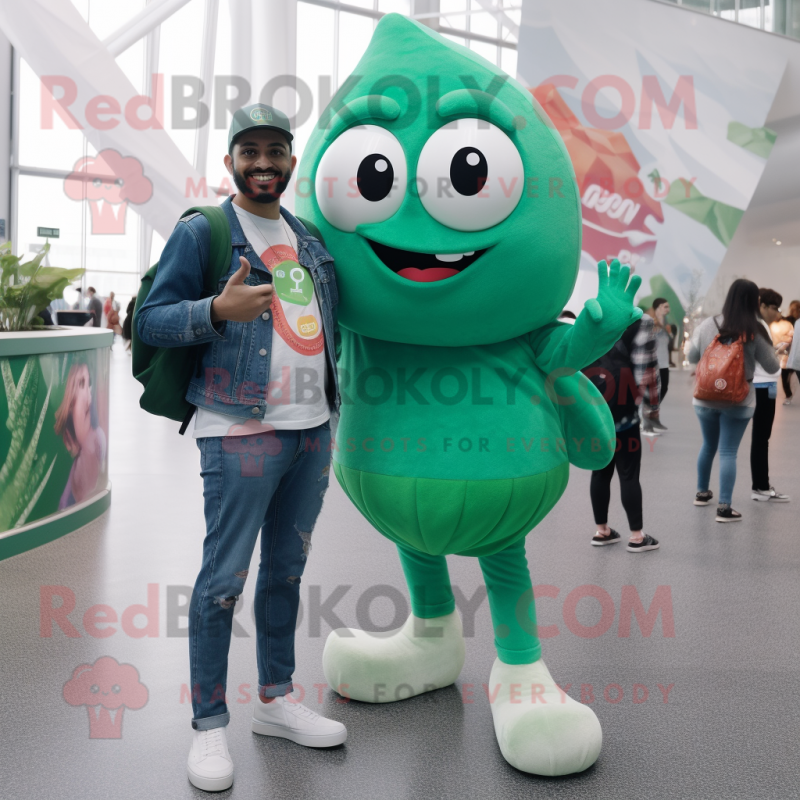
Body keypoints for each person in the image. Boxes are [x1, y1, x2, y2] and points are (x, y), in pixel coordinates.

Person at [136, 103, 345, 793]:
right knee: (223, 581)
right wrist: (215, 312)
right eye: (249, 151)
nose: (263, 163)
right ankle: (208, 727)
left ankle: (278, 701)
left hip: (311, 429)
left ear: (291, 161)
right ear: (230, 161)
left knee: (285, 572)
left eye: (275, 151)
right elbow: (152, 321)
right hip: (239, 429)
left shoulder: (308, 237)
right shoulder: (206, 231)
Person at [687, 279, 780, 522]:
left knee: (708, 445)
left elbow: (691, 355)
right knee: (728, 451)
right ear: (755, 302)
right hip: (739, 400)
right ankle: (724, 508)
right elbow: (772, 367)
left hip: (705, 397)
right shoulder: (755, 329)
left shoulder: (709, 323)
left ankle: (701, 493)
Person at [585, 313, 661, 552]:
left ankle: (602, 531)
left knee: (599, 472)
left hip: (596, 412)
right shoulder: (639, 321)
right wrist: (652, 406)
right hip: (624, 415)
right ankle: (637, 536)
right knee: (628, 474)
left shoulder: (592, 316)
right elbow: (645, 369)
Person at [750, 289, 790, 502]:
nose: (777, 313)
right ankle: (760, 486)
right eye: (774, 308)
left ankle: (761, 485)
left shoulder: (761, 326)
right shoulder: (757, 326)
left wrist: (776, 349)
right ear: (762, 305)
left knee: (762, 437)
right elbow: (766, 361)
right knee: (761, 437)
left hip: (766, 385)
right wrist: (779, 352)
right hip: (762, 386)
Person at [53, 363, 107, 509]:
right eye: (81, 384)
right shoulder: (66, 502)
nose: (87, 396)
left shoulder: (97, 435)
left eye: (89, 383)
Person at [642, 297, 671, 434]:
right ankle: (646, 423)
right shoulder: (650, 321)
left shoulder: (664, 322)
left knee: (663, 388)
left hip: (664, 362)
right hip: (653, 362)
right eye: (665, 306)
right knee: (652, 392)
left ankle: (652, 416)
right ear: (658, 307)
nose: (668, 309)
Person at [774, 299, 799, 404]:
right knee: (784, 375)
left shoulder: (796, 321)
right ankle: (788, 395)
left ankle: (788, 396)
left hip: (795, 353)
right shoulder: (789, 320)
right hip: (788, 353)